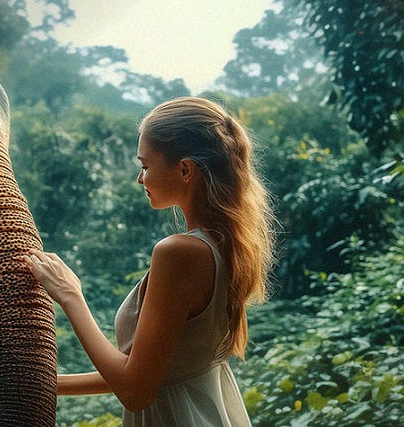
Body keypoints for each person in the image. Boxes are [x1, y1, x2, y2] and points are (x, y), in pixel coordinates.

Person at [24, 96, 275, 426]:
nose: (140, 179)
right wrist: (45, 386)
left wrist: (71, 295)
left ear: (185, 169)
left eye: (145, 165)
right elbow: (151, 373)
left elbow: (135, 390)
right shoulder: (229, 245)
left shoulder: (179, 253)